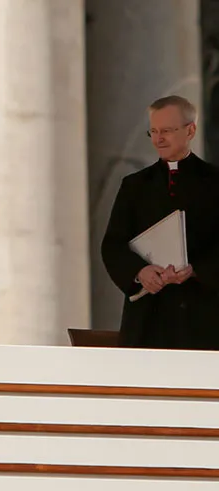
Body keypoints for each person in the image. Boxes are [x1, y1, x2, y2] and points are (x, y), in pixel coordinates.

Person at [101, 95, 219, 349]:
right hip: (149, 318)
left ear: (191, 130)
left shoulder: (215, 182)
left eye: (166, 130)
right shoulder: (134, 185)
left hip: (205, 315)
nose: (159, 139)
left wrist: (197, 268)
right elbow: (113, 245)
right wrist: (140, 272)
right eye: (153, 131)